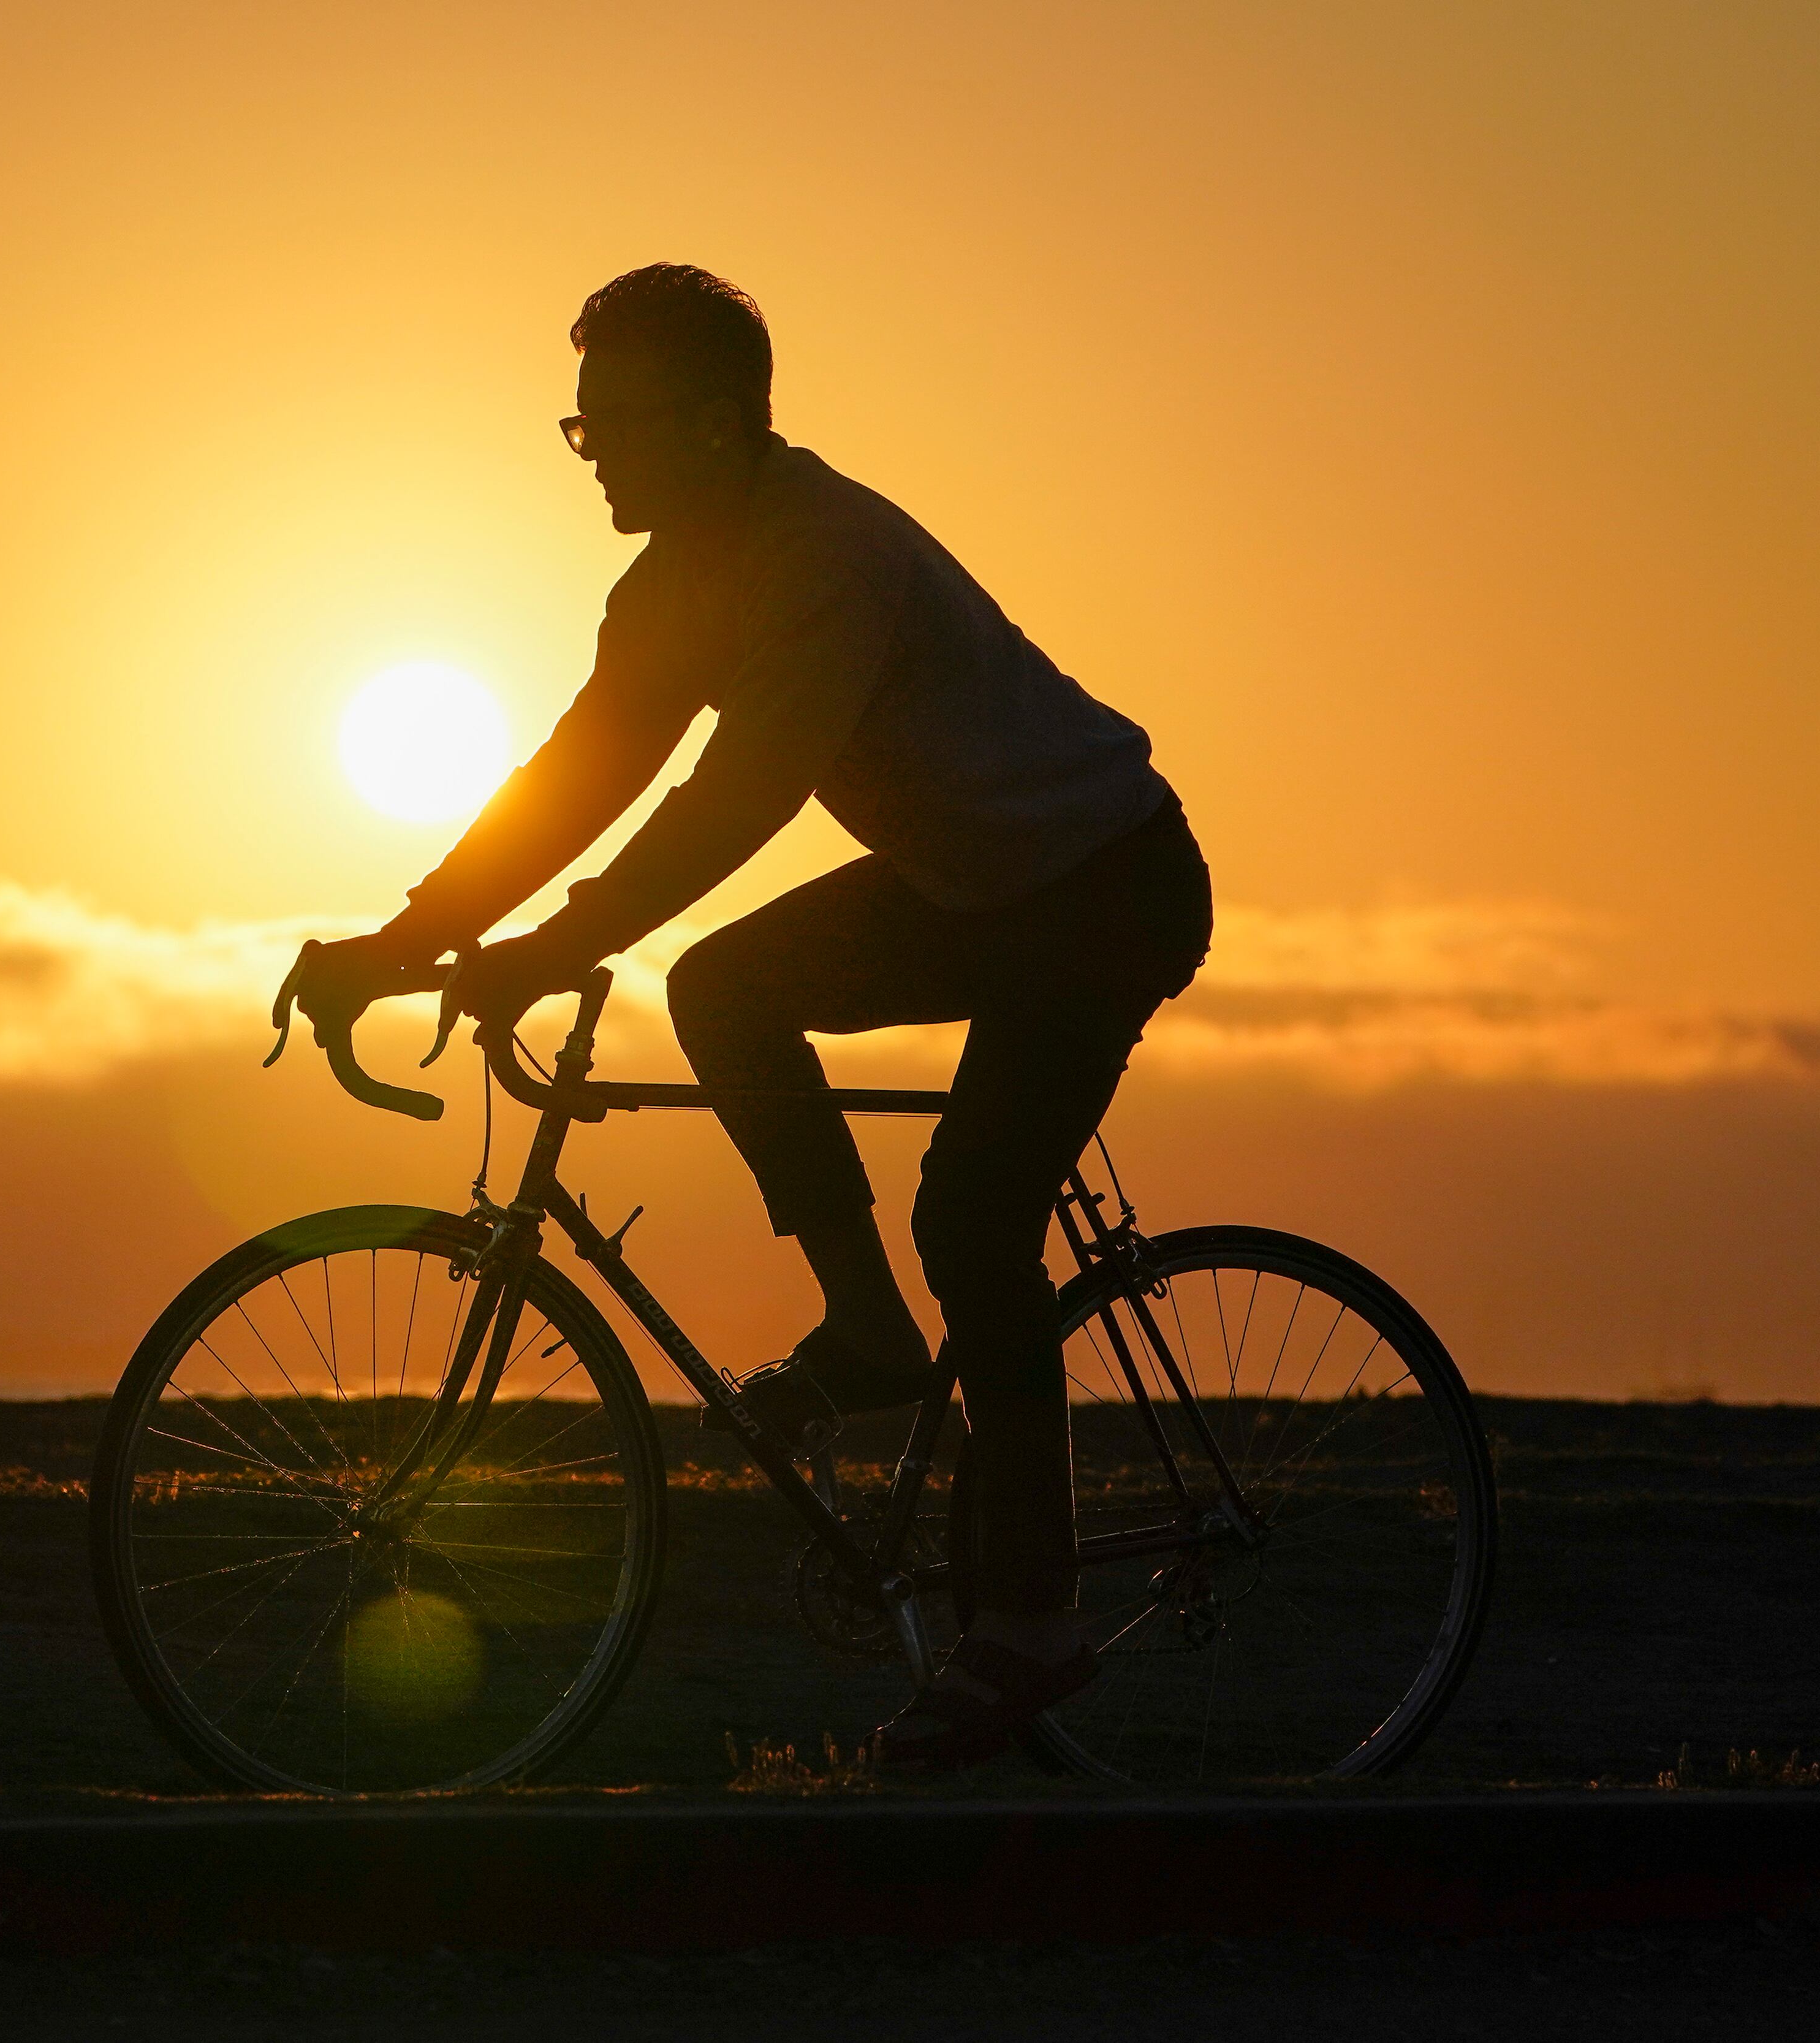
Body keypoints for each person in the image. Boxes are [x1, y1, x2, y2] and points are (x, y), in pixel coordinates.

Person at [287, 263, 1212, 1767]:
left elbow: (741, 799)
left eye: (615, 428)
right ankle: (863, 1329)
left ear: (717, 424)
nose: (593, 456)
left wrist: (557, 943)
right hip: (976, 886)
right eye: (577, 429)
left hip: (1102, 886)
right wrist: (409, 938)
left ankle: (1034, 1616)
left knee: (977, 1217)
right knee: (723, 987)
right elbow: (578, 781)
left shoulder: (820, 555)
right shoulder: (668, 585)